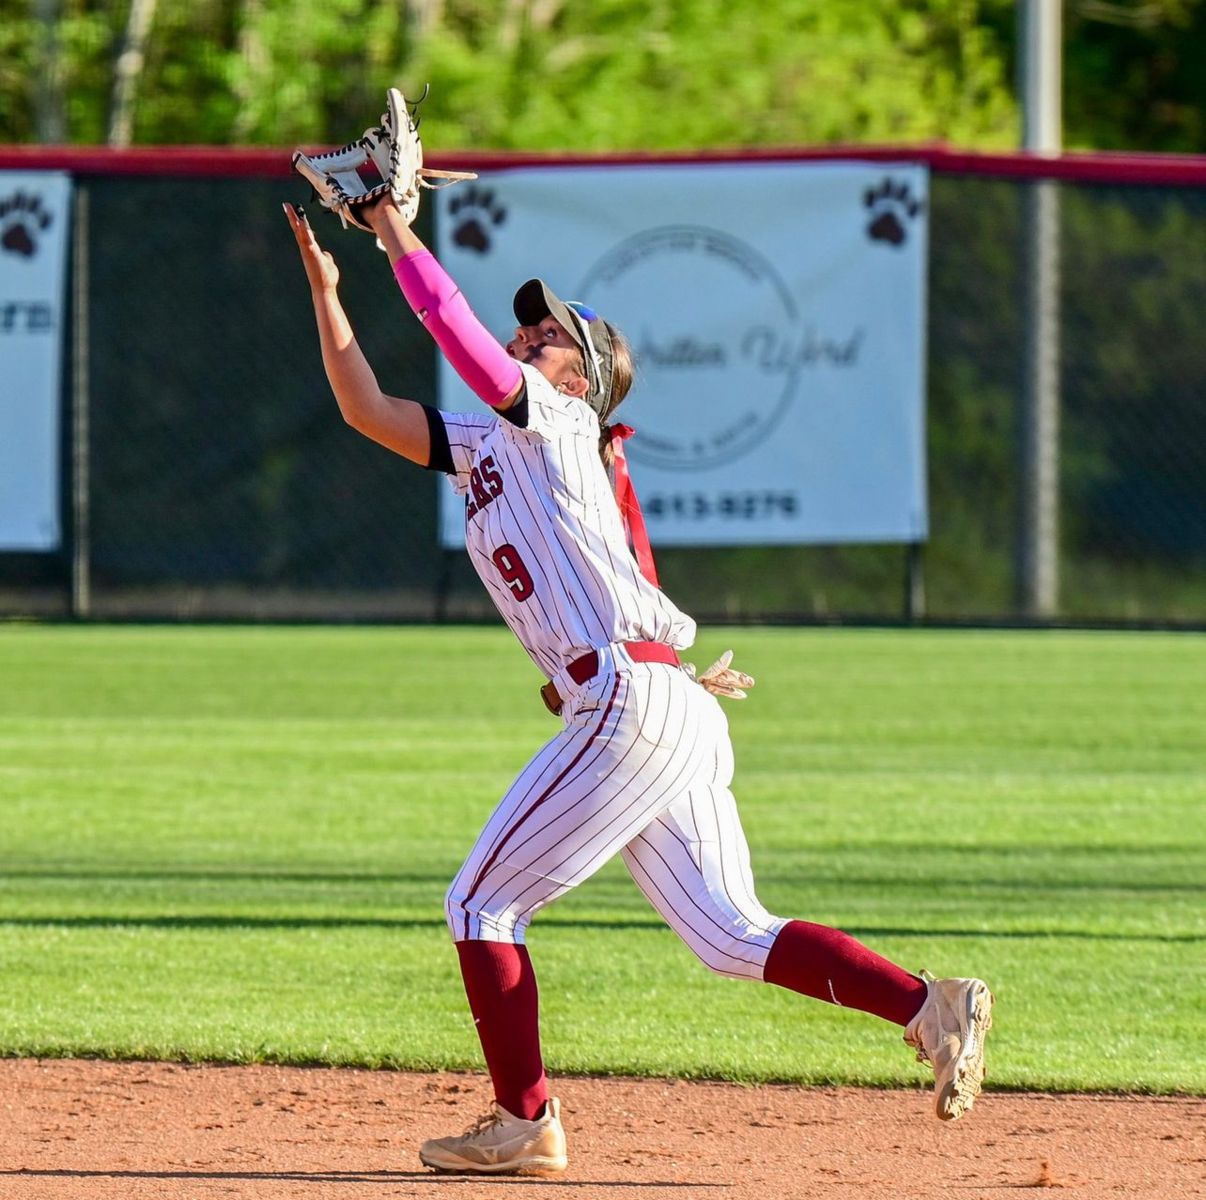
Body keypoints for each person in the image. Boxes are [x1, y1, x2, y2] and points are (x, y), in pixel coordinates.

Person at [283, 191, 994, 1178]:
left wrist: (396, 228)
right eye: (527, 324)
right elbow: (366, 408)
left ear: (583, 378)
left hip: (630, 700)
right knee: (729, 933)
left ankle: (525, 1119)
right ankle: (929, 1003)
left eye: (547, 331)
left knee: (481, 905)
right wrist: (329, 292)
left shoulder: (559, 421)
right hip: (663, 707)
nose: (526, 330)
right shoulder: (489, 446)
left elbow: (451, 327)